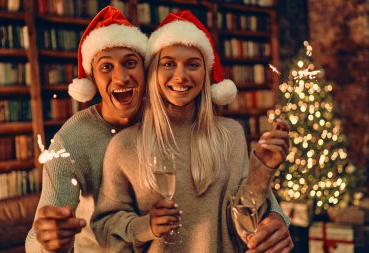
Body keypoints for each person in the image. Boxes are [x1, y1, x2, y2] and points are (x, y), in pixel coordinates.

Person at [91, 10, 293, 252]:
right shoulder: (124, 145)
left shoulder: (231, 134)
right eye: (168, 64)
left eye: (193, 64)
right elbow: (105, 226)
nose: (180, 75)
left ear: (205, 73)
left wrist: (262, 171)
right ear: (153, 71)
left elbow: (244, 220)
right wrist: (146, 226)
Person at [25, 6, 148, 252]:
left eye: (130, 63)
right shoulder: (70, 140)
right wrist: (47, 242)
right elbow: (34, 240)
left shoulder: (163, 122)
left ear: (145, 71)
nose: (121, 78)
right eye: (106, 67)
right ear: (92, 79)